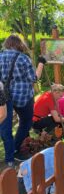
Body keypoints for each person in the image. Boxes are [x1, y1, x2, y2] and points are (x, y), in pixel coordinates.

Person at [0, 34, 45, 168]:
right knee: (26, 122)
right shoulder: (23, 58)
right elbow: (34, 78)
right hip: (23, 97)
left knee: (6, 128)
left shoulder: (0, 57)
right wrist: (41, 63)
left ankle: (9, 160)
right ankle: (17, 147)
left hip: (5, 97)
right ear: (19, 44)